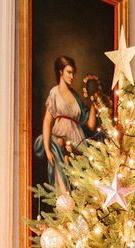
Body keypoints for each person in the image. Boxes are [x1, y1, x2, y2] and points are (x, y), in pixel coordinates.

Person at [35, 55, 97, 194]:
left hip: (78, 142)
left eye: (73, 73)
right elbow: (47, 121)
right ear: (61, 72)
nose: (72, 76)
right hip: (60, 143)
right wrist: (47, 148)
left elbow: (91, 126)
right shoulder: (55, 93)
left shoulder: (75, 96)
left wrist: (94, 104)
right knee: (63, 183)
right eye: (69, 72)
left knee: (79, 183)